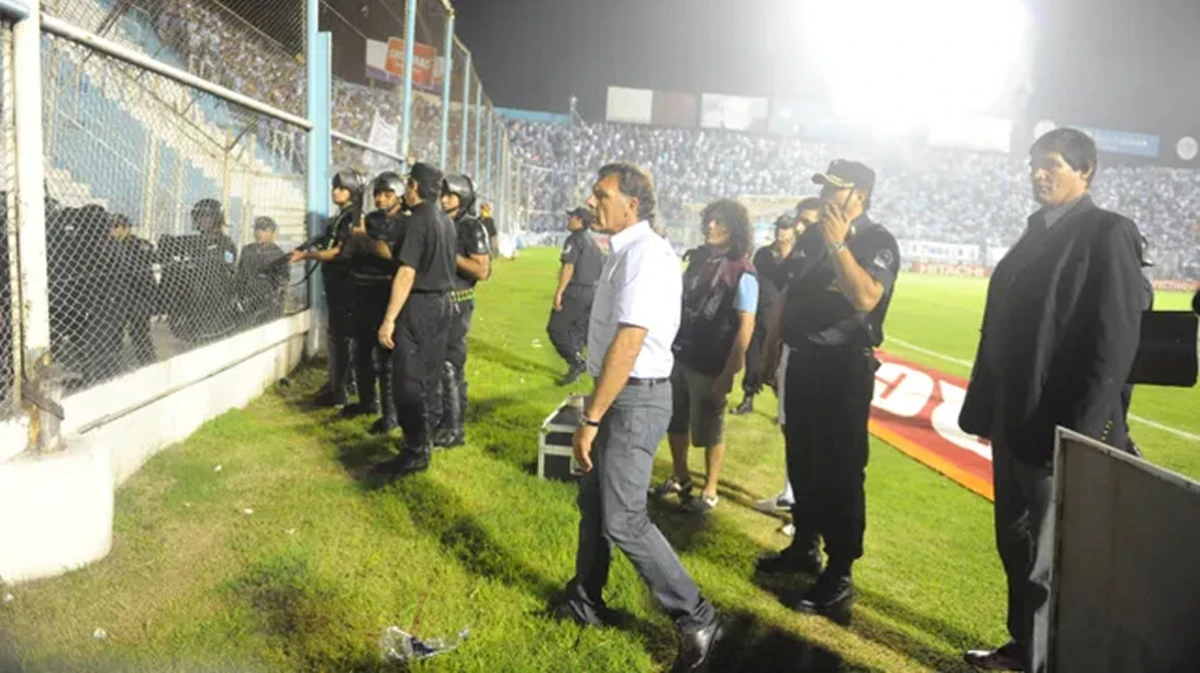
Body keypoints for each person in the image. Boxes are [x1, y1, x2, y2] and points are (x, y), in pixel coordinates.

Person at [960, 129, 1144, 673]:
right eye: (1036, 164)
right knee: (1014, 545)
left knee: (1049, 560)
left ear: (1086, 173)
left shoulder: (1106, 233)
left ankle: (1048, 661)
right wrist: (987, 406)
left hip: (1057, 430)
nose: (1040, 173)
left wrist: (1075, 437)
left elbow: (1113, 347)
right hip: (1013, 418)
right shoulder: (1035, 230)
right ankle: (1024, 646)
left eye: (1054, 165)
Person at [553, 163, 725, 672]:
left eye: (602, 193)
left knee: (625, 518)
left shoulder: (645, 255)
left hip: (635, 397)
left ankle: (696, 615)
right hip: (621, 394)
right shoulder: (624, 250)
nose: (592, 200)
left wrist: (591, 418)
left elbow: (629, 342)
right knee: (595, 504)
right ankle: (585, 600)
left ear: (633, 203)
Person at [755, 160, 900, 626]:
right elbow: (790, 297)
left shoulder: (878, 241)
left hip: (842, 369)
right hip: (802, 362)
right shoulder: (813, 237)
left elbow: (865, 297)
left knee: (839, 469)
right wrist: (771, 349)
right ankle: (805, 547)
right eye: (825, 187)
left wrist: (839, 243)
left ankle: (839, 574)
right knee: (802, 461)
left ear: (859, 195)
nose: (825, 196)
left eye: (836, 189)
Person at [651, 198, 758, 514]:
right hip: (681, 352)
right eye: (709, 220)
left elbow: (746, 321)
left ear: (734, 229)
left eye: (719, 222)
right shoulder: (698, 259)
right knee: (676, 419)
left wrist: (731, 369)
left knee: (711, 427)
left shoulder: (743, 268)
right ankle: (680, 478)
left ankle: (710, 491)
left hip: (711, 359)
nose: (711, 226)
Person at [372, 163, 458, 477]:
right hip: (443, 305)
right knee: (430, 375)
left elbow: (406, 273)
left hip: (420, 305)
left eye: (408, 184)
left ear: (415, 187)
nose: (405, 190)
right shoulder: (446, 221)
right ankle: (425, 439)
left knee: (406, 380)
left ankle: (416, 449)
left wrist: (389, 319)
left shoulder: (417, 221)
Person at [754, 197, 822, 518]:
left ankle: (806, 511)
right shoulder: (799, 259)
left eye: (808, 223)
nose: (799, 228)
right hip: (789, 350)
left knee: (813, 436)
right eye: (800, 222)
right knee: (791, 428)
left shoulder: (826, 261)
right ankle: (791, 495)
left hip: (819, 360)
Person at [292, 168, 367, 408]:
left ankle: (340, 390)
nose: (336, 192)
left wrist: (306, 255)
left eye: (342, 188)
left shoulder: (353, 218)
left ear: (354, 192)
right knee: (339, 336)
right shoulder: (343, 216)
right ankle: (341, 384)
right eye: (335, 187)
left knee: (340, 337)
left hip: (346, 284)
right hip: (338, 284)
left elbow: (338, 252)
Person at [340, 172, 405, 435]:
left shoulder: (404, 223)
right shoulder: (370, 220)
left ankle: (390, 415)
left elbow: (391, 255)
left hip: (385, 293)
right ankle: (367, 402)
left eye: (387, 194)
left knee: (386, 358)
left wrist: (362, 237)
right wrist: (354, 240)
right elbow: (348, 253)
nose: (380, 198)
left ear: (399, 195)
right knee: (360, 351)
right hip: (361, 290)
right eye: (378, 193)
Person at [434, 174, 491, 449]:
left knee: (449, 364)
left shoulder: (472, 227)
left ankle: (454, 429)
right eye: (442, 194)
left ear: (463, 198)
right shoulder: (442, 221)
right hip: (438, 301)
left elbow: (482, 269)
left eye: (450, 195)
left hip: (459, 302)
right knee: (438, 363)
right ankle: (443, 419)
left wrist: (448, 254)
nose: (444, 200)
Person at [547, 207, 603, 385]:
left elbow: (568, 267)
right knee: (576, 332)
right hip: (591, 292)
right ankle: (575, 370)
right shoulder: (593, 243)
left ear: (579, 219)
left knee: (556, 329)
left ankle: (577, 362)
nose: (568, 219)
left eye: (571, 216)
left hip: (575, 291)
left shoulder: (574, 239)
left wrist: (559, 292)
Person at [107, 213, 158, 368]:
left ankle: (148, 363)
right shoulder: (111, 246)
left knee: (139, 332)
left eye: (116, 227)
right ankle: (112, 365)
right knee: (114, 331)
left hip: (139, 294)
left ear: (126, 228)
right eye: (110, 227)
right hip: (121, 295)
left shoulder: (138, 244)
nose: (112, 231)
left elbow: (149, 256)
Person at [235, 217, 289, 325]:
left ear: (272, 233)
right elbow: (241, 274)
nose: (259, 233)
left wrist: (276, 299)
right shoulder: (247, 250)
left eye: (264, 230)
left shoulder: (278, 254)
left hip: (268, 299)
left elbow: (283, 281)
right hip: (248, 297)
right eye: (257, 229)